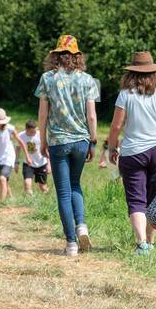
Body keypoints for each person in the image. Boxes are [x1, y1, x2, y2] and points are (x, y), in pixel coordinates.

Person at [35, 35, 101, 256]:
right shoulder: (88, 80)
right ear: (77, 56)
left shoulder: (47, 79)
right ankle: (82, 225)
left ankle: (71, 243)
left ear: (56, 55)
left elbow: (43, 114)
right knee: (75, 185)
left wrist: (43, 140)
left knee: (63, 192)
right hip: (81, 140)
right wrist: (93, 141)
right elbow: (92, 116)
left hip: (58, 142)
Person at [104, 51, 156, 253]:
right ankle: (151, 243)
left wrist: (112, 148)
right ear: (154, 72)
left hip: (132, 152)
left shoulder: (126, 94)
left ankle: (142, 243)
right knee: (155, 197)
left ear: (131, 72)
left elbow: (116, 125)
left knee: (136, 199)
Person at [0, 108, 32, 201]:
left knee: (2, 178)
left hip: (9, 157)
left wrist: (27, 156)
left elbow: (20, 142)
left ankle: (1, 203)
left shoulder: (10, 129)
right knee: (5, 181)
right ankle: (11, 199)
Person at [17, 119, 50, 195]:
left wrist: (49, 164)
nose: (34, 133)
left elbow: (47, 150)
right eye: (32, 132)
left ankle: (47, 197)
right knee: (27, 184)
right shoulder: (21, 136)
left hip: (41, 164)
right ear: (26, 130)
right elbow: (18, 148)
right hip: (28, 164)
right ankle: (30, 201)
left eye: (35, 131)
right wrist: (16, 161)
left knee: (43, 188)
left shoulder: (40, 135)